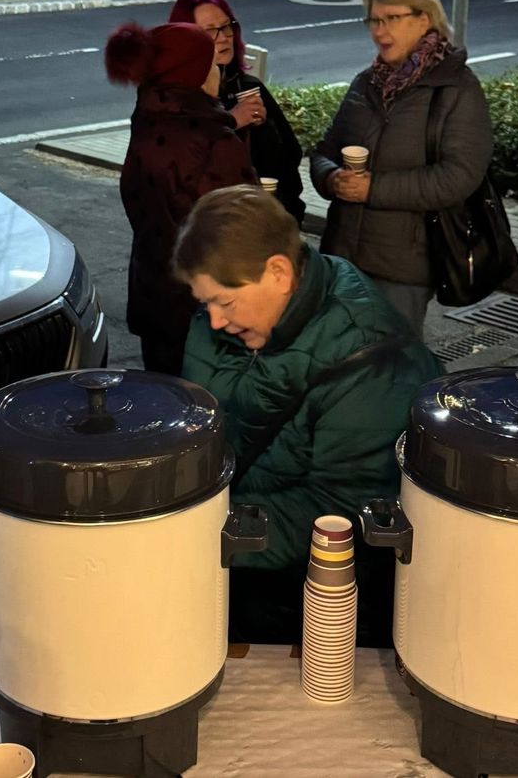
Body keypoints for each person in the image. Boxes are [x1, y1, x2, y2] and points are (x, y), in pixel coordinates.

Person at [174, 185, 444, 647]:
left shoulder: (372, 361)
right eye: (205, 304)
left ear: (278, 271)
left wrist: (194, 536)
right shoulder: (233, 324)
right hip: (227, 571)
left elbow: (339, 511)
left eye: (224, 301)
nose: (215, 321)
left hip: (306, 603)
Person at [310, 0, 493, 338]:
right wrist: (330, 177)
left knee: (391, 370)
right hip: (342, 259)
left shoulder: (455, 88)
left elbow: (459, 175)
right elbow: (324, 151)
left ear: (423, 18)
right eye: (374, 20)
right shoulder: (367, 82)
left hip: (403, 269)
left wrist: (373, 189)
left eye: (391, 18)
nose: (379, 31)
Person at [105, 21, 256, 376]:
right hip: (207, 311)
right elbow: (243, 231)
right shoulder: (213, 141)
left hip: (153, 293)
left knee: (164, 404)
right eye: (212, 63)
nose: (219, 69)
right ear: (195, 76)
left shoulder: (147, 121)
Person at [169, 0, 306, 227]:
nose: (223, 37)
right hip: (210, 234)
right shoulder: (174, 99)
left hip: (269, 225)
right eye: (210, 30)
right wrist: (231, 121)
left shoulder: (247, 86)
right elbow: (178, 174)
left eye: (226, 26)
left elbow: (290, 157)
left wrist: (264, 127)